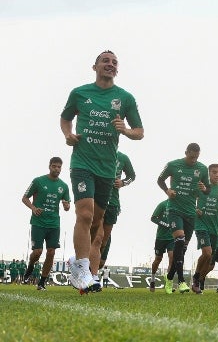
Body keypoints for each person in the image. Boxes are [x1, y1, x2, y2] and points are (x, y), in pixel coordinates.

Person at [60, 49, 144, 294]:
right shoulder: (80, 93)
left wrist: (126, 130)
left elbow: (140, 131)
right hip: (82, 163)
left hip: (107, 169)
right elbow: (65, 119)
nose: (110, 64)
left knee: (96, 223)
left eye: (114, 62)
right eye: (105, 61)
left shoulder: (125, 98)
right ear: (95, 66)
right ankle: (84, 268)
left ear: (117, 70)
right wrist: (68, 134)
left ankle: (79, 264)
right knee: (84, 215)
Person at [157, 143, 210, 294]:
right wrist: (167, 190)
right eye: (191, 156)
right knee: (179, 240)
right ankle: (181, 281)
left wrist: (204, 188)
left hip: (190, 213)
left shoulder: (202, 169)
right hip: (174, 210)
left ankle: (168, 278)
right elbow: (160, 180)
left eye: (196, 157)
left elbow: (207, 189)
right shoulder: (173, 165)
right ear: (186, 152)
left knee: (182, 250)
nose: (194, 160)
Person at [21, 157, 71, 291]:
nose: (56, 169)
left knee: (51, 252)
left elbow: (67, 206)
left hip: (54, 224)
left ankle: (42, 282)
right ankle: (30, 266)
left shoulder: (64, 186)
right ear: (49, 166)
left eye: (59, 167)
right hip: (38, 222)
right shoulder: (38, 181)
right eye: (54, 166)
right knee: (37, 252)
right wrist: (33, 208)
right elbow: (24, 198)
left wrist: (66, 206)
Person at [192, 164, 218, 294]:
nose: (217, 175)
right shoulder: (201, 186)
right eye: (214, 172)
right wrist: (195, 209)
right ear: (209, 173)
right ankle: (196, 279)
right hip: (201, 224)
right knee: (207, 253)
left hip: (214, 228)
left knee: (210, 262)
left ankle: (198, 279)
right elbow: (189, 200)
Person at [99, 151, 136, 270]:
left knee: (105, 236)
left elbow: (132, 176)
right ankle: (84, 265)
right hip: (96, 200)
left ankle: (98, 263)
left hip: (113, 203)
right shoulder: (97, 151)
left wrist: (123, 182)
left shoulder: (123, 157)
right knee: (96, 234)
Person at [149, 200, 174, 292]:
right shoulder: (162, 204)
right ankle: (152, 279)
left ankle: (168, 282)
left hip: (172, 238)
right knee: (158, 259)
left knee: (172, 257)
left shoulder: (178, 206)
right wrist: (166, 225)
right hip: (161, 237)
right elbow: (153, 218)